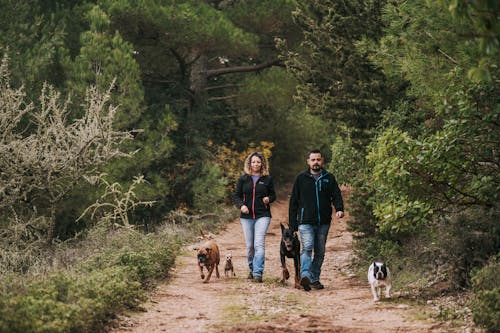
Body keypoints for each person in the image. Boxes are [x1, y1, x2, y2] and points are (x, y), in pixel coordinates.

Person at [289, 149, 344, 291]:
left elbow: (336, 195)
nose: (316, 162)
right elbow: (293, 201)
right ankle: (305, 275)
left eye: (318, 159)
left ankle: (314, 278)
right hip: (305, 221)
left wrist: (339, 208)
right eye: (313, 160)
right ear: (308, 162)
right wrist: (292, 223)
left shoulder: (328, 178)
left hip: (323, 222)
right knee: (307, 247)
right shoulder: (301, 178)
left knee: (320, 251)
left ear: (322, 161)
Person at [234, 152, 276, 282]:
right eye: (253, 162)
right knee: (250, 246)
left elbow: (273, 195)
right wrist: (241, 206)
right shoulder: (243, 179)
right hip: (246, 217)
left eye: (258, 162)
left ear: (262, 163)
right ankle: (252, 269)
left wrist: (268, 199)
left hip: (263, 215)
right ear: (249, 163)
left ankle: (258, 273)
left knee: (259, 244)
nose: (256, 164)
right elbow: (236, 196)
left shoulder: (267, 179)